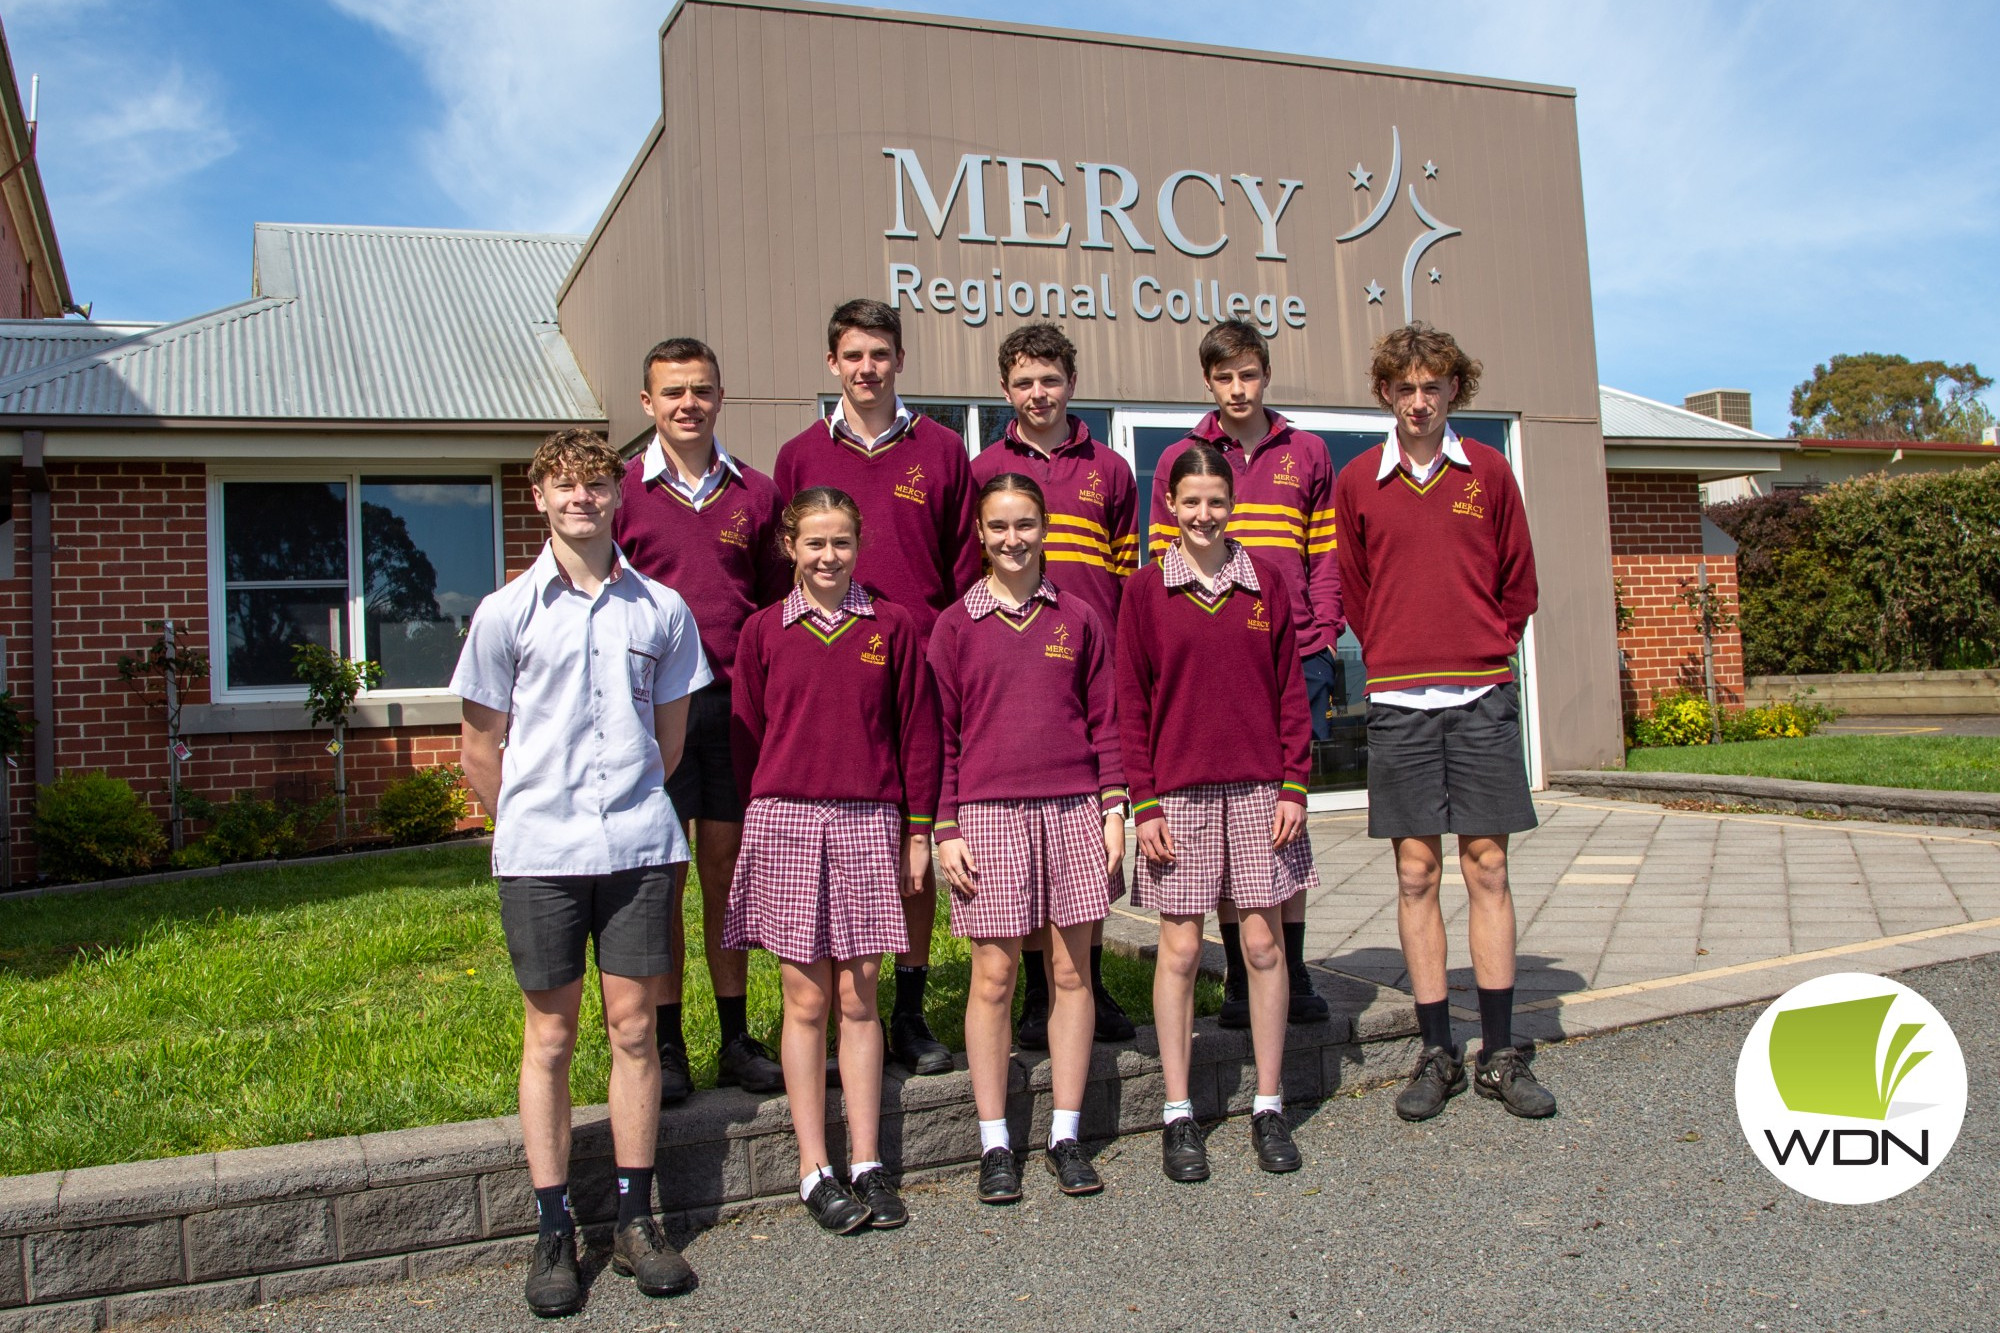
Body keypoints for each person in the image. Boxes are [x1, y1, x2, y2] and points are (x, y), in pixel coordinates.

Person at [452, 429, 710, 1317]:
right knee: (552, 1038)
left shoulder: (662, 610)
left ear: (616, 495)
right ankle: (554, 1227)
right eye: (564, 486)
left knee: (635, 1029)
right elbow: (481, 748)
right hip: (542, 857)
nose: (582, 499)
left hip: (638, 848)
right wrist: (531, 819)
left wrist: (617, 807)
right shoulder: (504, 612)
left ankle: (638, 1219)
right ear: (539, 498)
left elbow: (669, 740)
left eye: (596, 484)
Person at [1331, 323, 1555, 1123]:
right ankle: (1437, 1051)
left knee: (1487, 866)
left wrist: (1485, 645)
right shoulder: (1358, 481)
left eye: (1434, 387)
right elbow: (1354, 588)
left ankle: (1499, 1052)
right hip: (1398, 700)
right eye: (1405, 387)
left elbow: (1519, 581)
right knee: (1416, 873)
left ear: (1454, 390)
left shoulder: (1489, 472)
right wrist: (1393, 649)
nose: (1419, 401)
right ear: (1386, 393)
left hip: (1480, 695)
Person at [722, 486, 940, 1233]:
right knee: (806, 997)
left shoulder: (894, 627)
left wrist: (916, 830)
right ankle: (814, 1164)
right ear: (789, 545)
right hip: (784, 820)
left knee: (860, 992)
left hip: (871, 819)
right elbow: (748, 735)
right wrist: (772, 810)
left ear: (859, 544)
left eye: (841, 542)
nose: (827, 556)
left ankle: (869, 1158)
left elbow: (917, 733)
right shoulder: (762, 632)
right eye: (814, 542)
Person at [772, 298, 979, 1077]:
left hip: (919, 667)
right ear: (833, 364)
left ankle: (909, 1008)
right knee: (831, 844)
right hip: (832, 679)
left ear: (899, 359)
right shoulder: (798, 455)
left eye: (881, 354)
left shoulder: (945, 449)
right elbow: (782, 567)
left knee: (912, 836)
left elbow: (965, 567)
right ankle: (825, 1010)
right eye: (853, 355)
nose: (867, 368)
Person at [1118, 443, 1318, 1183]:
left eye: (1216, 501)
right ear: (1169, 504)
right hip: (1178, 797)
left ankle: (1268, 1102)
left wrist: (1295, 784)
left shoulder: (1264, 581)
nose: (1204, 514)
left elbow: (1289, 691)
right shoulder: (1145, 591)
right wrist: (1143, 802)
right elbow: (1130, 706)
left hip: (1262, 790)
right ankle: (1178, 1111)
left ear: (1232, 503)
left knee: (1263, 946)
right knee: (1178, 951)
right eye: (1190, 501)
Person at [929, 472, 1125, 1204]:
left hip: (1074, 807)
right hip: (986, 817)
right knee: (995, 977)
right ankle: (994, 1142)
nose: (1013, 539)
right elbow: (940, 737)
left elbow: (1106, 720)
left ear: (1046, 529)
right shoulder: (955, 625)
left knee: (1073, 975)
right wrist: (945, 826)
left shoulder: (1079, 617)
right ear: (980, 534)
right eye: (999, 526)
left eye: (1026, 525)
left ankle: (1066, 1132)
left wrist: (1115, 809)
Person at [1148, 319, 1339, 1032]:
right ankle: (1237, 972)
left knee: (1285, 818)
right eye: (1224, 377)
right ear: (1208, 382)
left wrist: (1322, 633)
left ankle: (1291, 962)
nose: (1237, 387)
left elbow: (1327, 558)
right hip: (1210, 659)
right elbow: (1160, 562)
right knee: (1224, 823)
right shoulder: (1182, 458)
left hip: (1293, 653)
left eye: (1248, 374)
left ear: (1265, 375)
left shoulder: (1308, 452)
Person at [614, 336, 788, 1103]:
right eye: (673, 392)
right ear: (648, 404)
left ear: (721, 398)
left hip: (730, 709)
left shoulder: (757, 493)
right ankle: (668, 1041)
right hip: (647, 711)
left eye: (702, 390)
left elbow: (779, 605)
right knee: (661, 880)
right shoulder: (619, 493)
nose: (689, 404)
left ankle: (735, 1037)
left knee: (726, 872)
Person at [970, 322, 1139, 1049]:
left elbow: (1128, 571)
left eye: (1050, 379)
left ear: (1071, 382)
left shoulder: (1112, 468)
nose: (1038, 393)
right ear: (1006, 390)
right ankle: (1040, 996)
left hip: (1091, 662)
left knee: (1085, 839)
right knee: (1030, 838)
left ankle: (1088, 983)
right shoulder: (984, 470)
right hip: (1018, 667)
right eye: (1023, 382)